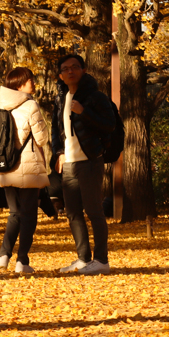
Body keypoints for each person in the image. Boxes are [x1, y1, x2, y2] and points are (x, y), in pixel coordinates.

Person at [51, 54, 115, 275]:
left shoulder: (95, 96)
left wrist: (84, 112)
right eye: (66, 68)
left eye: (75, 67)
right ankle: (83, 258)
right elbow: (56, 131)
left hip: (89, 160)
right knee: (73, 212)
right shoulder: (60, 99)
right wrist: (58, 153)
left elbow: (109, 125)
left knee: (94, 210)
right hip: (68, 162)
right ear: (60, 74)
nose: (70, 71)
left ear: (84, 70)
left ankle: (101, 260)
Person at [0, 67, 50, 274]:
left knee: (14, 213)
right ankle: (22, 261)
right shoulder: (30, 105)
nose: (33, 83)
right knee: (29, 215)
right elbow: (42, 138)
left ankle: (3, 255)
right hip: (29, 166)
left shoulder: (0, 107)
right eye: (29, 80)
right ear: (19, 85)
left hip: (6, 167)